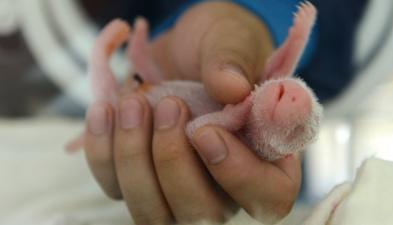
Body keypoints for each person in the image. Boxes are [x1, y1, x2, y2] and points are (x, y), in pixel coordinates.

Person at [82, 0, 367, 224]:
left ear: (284, 152)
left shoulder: (240, 130)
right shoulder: (256, 90)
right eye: (308, 101)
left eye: (295, 127)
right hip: (153, 60)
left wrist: (231, 118)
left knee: (112, 99)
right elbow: (284, 62)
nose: (295, 100)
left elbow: (195, 130)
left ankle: (102, 55)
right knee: (135, 83)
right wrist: (292, 26)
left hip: (141, 102)